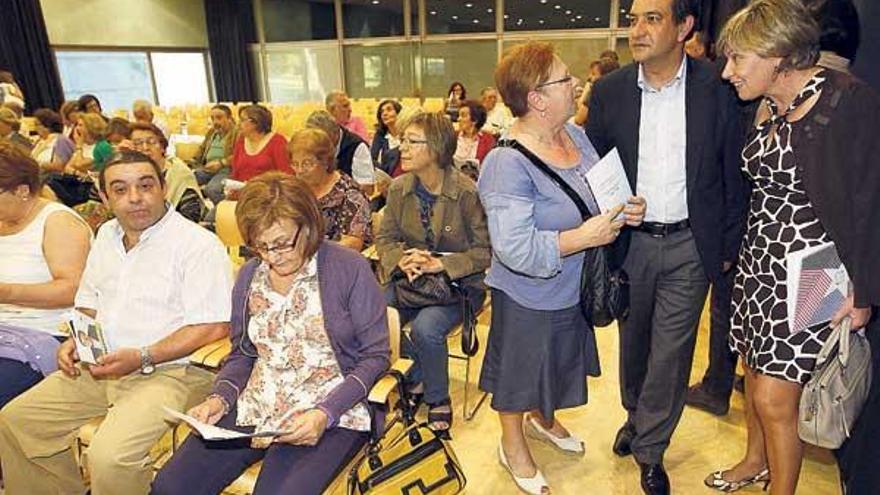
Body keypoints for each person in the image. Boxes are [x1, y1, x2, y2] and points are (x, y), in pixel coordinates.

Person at [705, 1, 880, 493]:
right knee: (752, 378)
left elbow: (870, 202)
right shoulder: (760, 104)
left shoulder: (847, 100)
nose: (727, 72)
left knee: (776, 399)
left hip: (816, 270)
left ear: (778, 54)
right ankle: (754, 460)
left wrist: (863, 292)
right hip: (759, 262)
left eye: (738, 59)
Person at [585, 0, 749, 493]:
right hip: (630, 244)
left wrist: (726, 243)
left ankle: (651, 448)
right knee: (633, 346)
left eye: (652, 19)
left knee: (672, 353)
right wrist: (608, 213)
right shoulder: (609, 92)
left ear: (685, 27)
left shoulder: (716, 87)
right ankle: (636, 416)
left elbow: (732, 172)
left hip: (689, 244)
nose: (636, 30)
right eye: (633, 19)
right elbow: (593, 169)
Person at [0, 150, 233, 495]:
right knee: (18, 421)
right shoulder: (107, 236)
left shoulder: (197, 245)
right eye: (120, 190)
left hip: (171, 373)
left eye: (145, 185)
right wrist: (77, 340)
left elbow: (213, 327)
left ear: (163, 187)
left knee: (110, 457)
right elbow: (89, 302)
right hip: (103, 366)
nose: (135, 198)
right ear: (106, 197)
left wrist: (142, 356)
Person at [151, 173, 389, 495]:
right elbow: (244, 353)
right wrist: (220, 398)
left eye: (281, 243)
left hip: (332, 408)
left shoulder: (348, 267)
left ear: (308, 225)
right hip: (258, 402)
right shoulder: (251, 275)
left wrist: (325, 413)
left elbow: (375, 357)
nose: (271, 257)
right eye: (260, 246)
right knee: (171, 486)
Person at [478, 41, 645, 495]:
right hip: (528, 294)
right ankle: (512, 443)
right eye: (564, 79)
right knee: (518, 375)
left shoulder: (577, 136)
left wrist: (623, 208)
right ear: (536, 98)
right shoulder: (504, 162)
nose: (577, 85)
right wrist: (584, 237)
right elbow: (514, 249)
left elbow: (597, 194)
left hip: (575, 284)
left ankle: (543, 418)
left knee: (554, 364)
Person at [376, 111, 490, 438]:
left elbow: (485, 252)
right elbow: (385, 240)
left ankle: (438, 398)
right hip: (412, 280)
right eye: (402, 141)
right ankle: (418, 376)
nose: (403, 149)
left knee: (426, 328)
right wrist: (402, 260)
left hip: (458, 285)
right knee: (375, 315)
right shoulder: (398, 188)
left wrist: (442, 264)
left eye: (412, 142)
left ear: (437, 147)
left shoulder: (467, 193)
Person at [0, 142, 91, 408]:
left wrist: (6, 292)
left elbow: (72, 290)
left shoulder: (58, 222)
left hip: (46, 333)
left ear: (22, 191)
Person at [289, 128, 371, 251]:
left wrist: (310, 252)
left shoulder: (350, 194)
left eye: (307, 163)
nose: (299, 171)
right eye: (295, 164)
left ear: (325, 161)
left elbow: (353, 243)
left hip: (337, 261)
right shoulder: (295, 190)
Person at [129, 123, 205, 223]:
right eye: (137, 143)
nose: (145, 148)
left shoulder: (179, 174)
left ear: (162, 147)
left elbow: (191, 215)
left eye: (151, 142)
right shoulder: (127, 174)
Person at [305, 110, 375, 190]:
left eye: (324, 139)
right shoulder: (311, 145)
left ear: (335, 133)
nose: (320, 145)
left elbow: (367, 188)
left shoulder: (357, 147)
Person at [230, 104, 290, 183]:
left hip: (266, 192)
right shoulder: (241, 140)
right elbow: (235, 172)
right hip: (242, 191)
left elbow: (286, 175)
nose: (238, 124)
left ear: (256, 122)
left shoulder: (278, 141)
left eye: (242, 120)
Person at [193, 104, 239, 204]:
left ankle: (224, 209)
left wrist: (221, 163)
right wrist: (192, 161)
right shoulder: (212, 132)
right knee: (185, 180)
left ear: (229, 118)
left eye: (219, 118)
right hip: (207, 169)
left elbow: (240, 155)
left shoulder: (237, 133)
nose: (215, 122)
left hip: (226, 170)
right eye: (212, 118)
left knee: (211, 190)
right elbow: (201, 149)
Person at [454, 100, 495, 177]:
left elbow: (491, 167)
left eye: (463, 115)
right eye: (458, 115)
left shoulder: (488, 140)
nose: (458, 119)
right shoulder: (453, 136)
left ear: (475, 120)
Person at [370, 99, 402, 176]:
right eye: (382, 112)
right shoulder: (379, 135)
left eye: (389, 109)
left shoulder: (407, 133)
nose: (384, 114)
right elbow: (372, 159)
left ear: (398, 113)